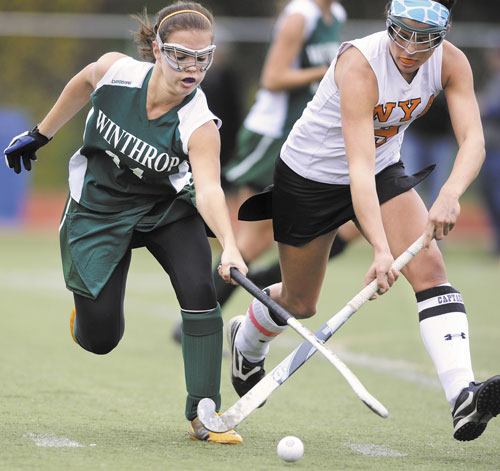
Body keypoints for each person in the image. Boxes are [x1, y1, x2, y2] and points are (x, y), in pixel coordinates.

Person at [227, 0, 500, 442]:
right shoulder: (359, 64)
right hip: (311, 177)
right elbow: (356, 167)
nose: (410, 47)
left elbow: (473, 139)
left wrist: (450, 193)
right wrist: (379, 248)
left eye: (424, 37)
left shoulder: (452, 63)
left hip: (382, 169)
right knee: (299, 302)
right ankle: (246, 341)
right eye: (402, 31)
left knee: (431, 271)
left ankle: (462, 397)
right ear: (389, 22)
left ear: (444, 33)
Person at [3, 2, 247, 445]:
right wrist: (42, 132)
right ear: (156, 49)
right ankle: (86, 316)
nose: (192, 68)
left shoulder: (199, 122)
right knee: (99, 340)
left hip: (165, 208)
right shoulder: (116, 72)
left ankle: (204, 411)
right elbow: (83, 81)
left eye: (202, 58)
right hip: (98, 207)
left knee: (200, 288)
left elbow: (209, 188)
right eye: (180, 56)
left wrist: (229, 244)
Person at [170, 0, 352, 345]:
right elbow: (273, 78)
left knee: (340, 229)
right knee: (253, 241)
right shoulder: (301, 16)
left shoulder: (336, 15)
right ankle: (197, 321)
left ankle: (267, 297)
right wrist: (332, 72)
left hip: (307, 137)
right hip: (273, 137)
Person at [478, 48, 500, 263]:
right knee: (490, 198)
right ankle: (496, 243)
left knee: (498, 197)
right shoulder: (494, 80)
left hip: (498, 150)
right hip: (490, 148)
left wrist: (487, 108)